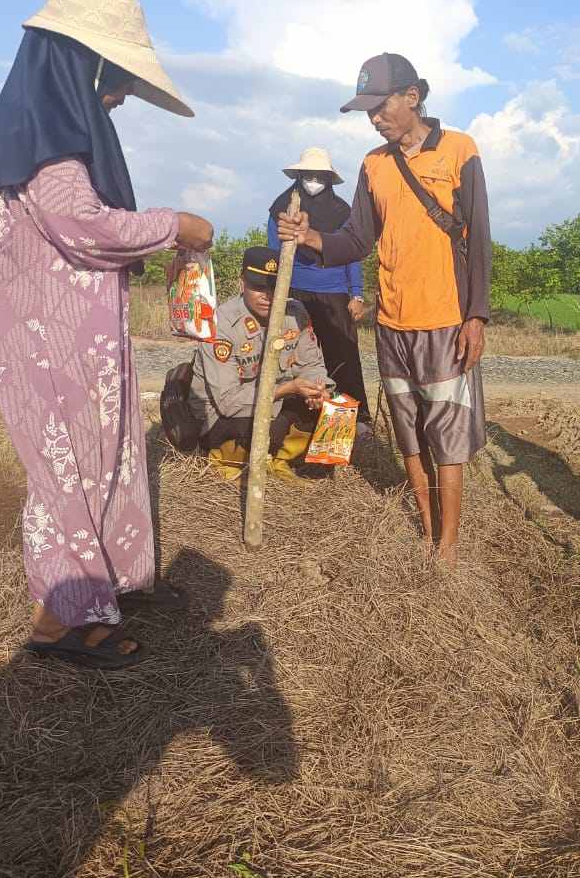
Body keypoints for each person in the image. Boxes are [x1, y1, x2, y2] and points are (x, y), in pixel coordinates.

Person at [0, 0, 214, 669]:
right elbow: (81, 225)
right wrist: (178, 226)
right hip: (47, 343)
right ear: (86, 63)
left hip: (76, 338)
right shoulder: (44, 135)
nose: (119, 97)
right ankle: (61, 624)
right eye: (118, 81)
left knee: (96, 460)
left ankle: (98, 591)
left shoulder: (43, 127)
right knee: (65, 473)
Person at [276, 53, 492, 566]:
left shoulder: (459, 150)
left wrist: (477, 315)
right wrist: (309, 237)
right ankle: (425, 525)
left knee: (448, 432)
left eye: (381, 106)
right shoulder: (374, 164)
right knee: (408, 428)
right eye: (367, 111)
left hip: (445, 319)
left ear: (412, 98)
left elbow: (479, 238)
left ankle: (448, 545)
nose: (375, 118)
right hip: (391, 323)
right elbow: (356, 239)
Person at [188, 246, 334, 483]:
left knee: (335, 411)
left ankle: (280, 460)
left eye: (275, 287)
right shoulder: (220, 324)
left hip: (276, 401)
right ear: (241, 283)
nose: (267, 295)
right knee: (262, 428)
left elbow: (313, 364)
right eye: (258, 286)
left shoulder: (295, 312)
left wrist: (318, 389)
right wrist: (289, 390)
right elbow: (227, 403)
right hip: (225, 415)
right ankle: (229, 460)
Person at [267, 148, 372, 433]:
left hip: (334, 292)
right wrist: (274, 291)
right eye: (308, 175)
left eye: (319, 176)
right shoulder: (281, 207)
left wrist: (356, 293)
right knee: (295, 356)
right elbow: (274, 253)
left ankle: (353, 418)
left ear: (329, 178)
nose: (313, 181)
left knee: (342, 355)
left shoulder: (343, 212)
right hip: (294, 292)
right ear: (298, 177)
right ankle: (301, 417)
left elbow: (351, 253)